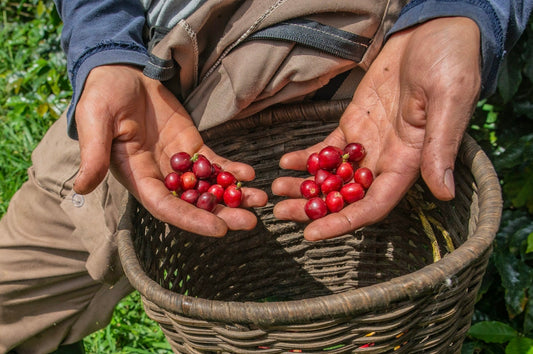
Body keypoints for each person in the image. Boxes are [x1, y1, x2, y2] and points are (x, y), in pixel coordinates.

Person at [0, 0, 531, 353]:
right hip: (155, 90)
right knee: (13, 302)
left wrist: (460, 13)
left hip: (364, 100)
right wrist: (104, 47)